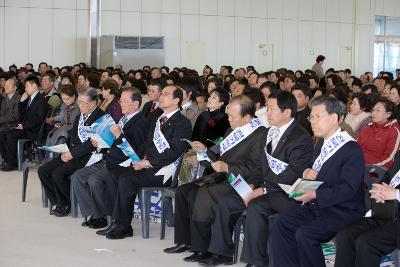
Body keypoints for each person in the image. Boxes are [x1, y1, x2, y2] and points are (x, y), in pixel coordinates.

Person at [164, 95, 268, 265]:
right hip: (221, 176)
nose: (229, 119)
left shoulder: (261, 134)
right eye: (228, 115)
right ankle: (186, 241)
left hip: (241, 181)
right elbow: (217, 159)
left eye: (232, 116)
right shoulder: (231, 131)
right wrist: (204, 151)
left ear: (247, 117)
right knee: (184, 191)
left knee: (204, 194)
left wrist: (228, 168)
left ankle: (204, 249)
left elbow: (257, 168)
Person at [269, 95, 366, 267]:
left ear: (334, 117)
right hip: (317, 204)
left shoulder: (351, 148)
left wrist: (315, 194)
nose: (312, 121)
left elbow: (348, 188)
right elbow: (311, 169)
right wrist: (306, 172)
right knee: (280, 224)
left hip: (342, 209)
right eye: (311, 117)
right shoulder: (321, 143)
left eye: (317, 116)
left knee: (305, 234)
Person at [100, 85, 192, 239]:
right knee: (113, 176)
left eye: (166, 94)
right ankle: (115, 221)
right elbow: (147, 145)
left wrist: (148, 163)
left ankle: (125, 226)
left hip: (165, 170)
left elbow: (174, 152)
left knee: (126, 179)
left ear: (176, 100)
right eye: (161, 93)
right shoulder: (158, 119)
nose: (161, 96)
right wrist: (139, 159)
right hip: (148, 164)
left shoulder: (182, 122)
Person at [71, 87, 148, 229]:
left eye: (125, 101)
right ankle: (95, 213)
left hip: (122, 163)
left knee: (95, 179)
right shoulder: (123, 118)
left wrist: (119, 135)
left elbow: (134, 152)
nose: (121, 104)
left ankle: (105, 217)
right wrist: (100, 142)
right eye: (120, 101)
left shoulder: (141, 123)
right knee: (78, 176)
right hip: (108, 157)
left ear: (136, 104)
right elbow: (113, 143)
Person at [38, 87, 104, 216]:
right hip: (74, 153)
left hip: (88, 157)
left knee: (58, 173)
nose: (79, 106)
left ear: (93, 103)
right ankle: (58, 201)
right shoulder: (80, 116)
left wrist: (71, 154)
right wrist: (63, 149)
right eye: (79, 102)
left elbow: (92, 144)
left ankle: (66, 203)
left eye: (82, 103)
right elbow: (73, 137)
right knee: (43, 170)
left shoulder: (100, 117)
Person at [334, 152, 400, 267]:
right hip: (386, 211)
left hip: (396, 221)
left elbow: (394, 192)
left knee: (366, 242)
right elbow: (387, 177)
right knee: (345, 234)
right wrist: (379, 191)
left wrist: (396, 194)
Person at [0, 75, 48, 171]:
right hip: (27, 128)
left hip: (34, 131)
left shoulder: (41, 100)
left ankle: (13, 163)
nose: (25, 89)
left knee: (11, 135)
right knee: (2, 133)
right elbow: (22, 115)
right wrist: (22, 102)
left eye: (27, 86)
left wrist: (24, 125)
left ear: (34, 86)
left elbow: (38, 119)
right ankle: (8, 160)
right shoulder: (30, 98)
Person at [358, 98, 400, 169]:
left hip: (374, 170)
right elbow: (356, 147)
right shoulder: (368, 127)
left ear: (388, 114)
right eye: (373, 110)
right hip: (357, 163)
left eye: (378, 110)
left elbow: (389, 159)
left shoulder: (394, 132)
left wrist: (368, 166)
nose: (373, 113)